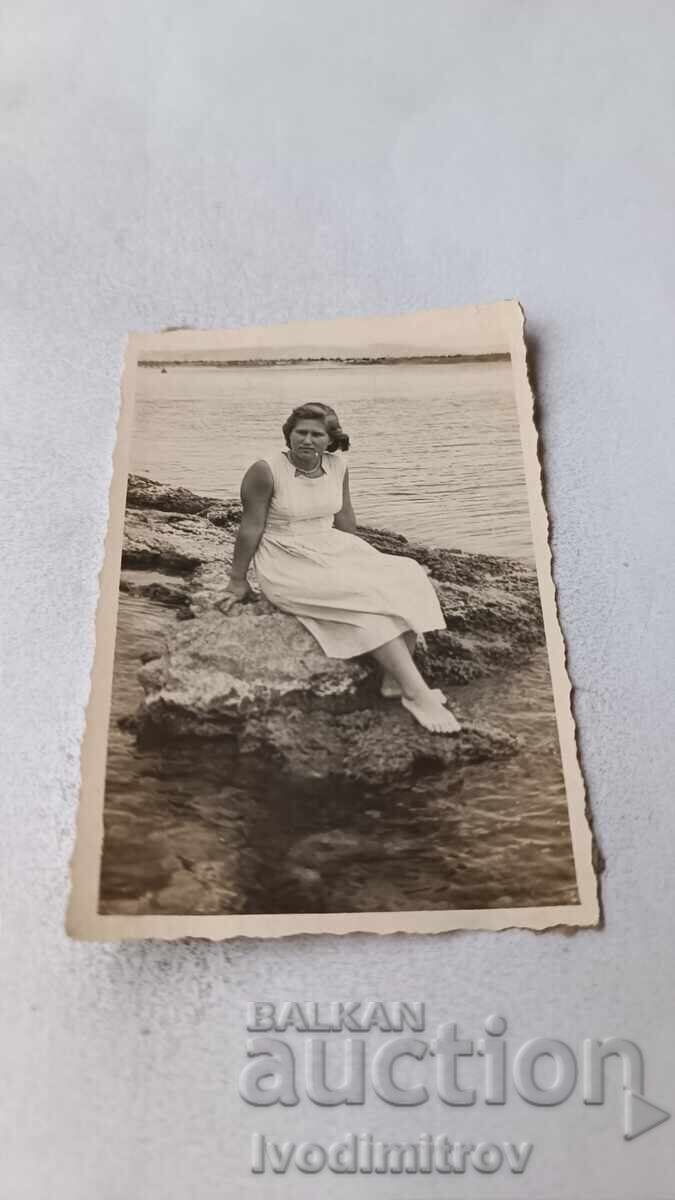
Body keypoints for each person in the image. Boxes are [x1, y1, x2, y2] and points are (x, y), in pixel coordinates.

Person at [218, 403, 460, 734]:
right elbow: (250, 527)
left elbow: (345, 517)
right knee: (369, 603)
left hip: (330, 545)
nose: (307, 440)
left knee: (406, 573)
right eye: (300, 432)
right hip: (285, 558)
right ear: (288, 434)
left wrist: (364, 558)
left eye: (316, 435)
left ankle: (393, 681)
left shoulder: (337, 465)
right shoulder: (265, 470)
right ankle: (417, 694)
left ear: (329, 439)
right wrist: (237, 580)